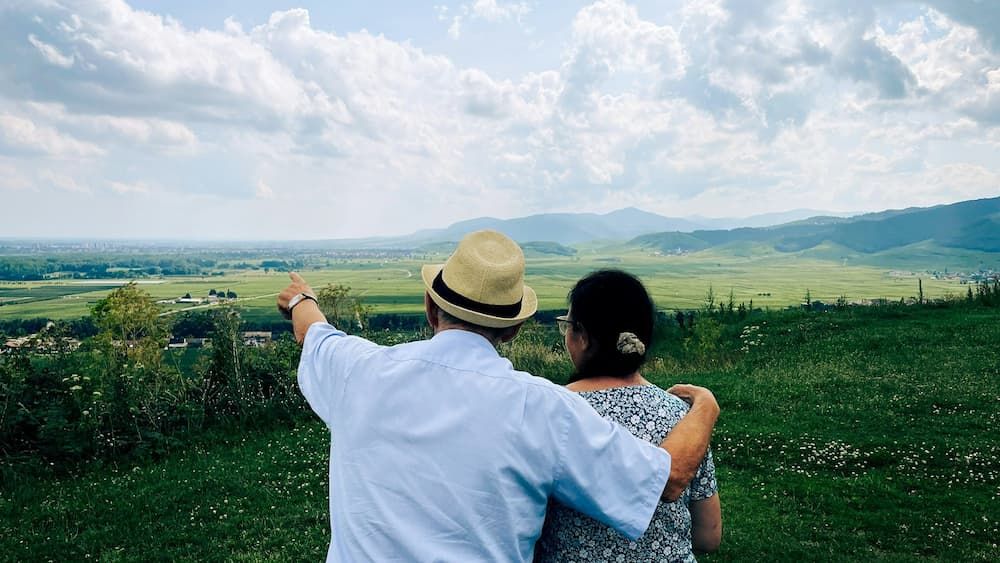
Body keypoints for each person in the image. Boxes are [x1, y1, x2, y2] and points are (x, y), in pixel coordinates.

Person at [277, 230, 720, 562]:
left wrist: (302, 299)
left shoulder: (358, 368)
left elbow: (315, 333)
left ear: (431, 308)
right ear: (513, 329)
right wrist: (704, 408)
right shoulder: (542, 408)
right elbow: (666, 480)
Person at [535, 269, 722, 562]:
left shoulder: (551, 411)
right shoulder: (688, 418)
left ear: (582, 336)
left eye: (567, 326)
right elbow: (708, 536)